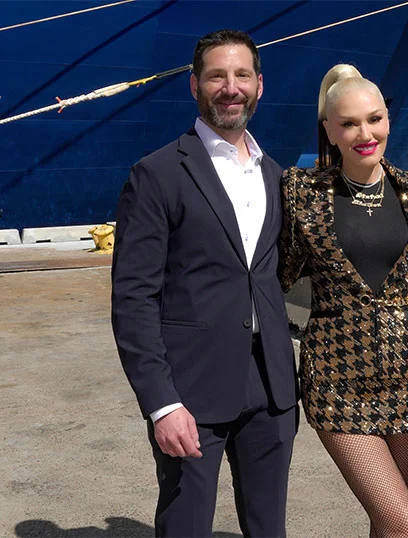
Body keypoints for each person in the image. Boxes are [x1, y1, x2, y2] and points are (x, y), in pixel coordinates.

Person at [111, 29, 297, 538]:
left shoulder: (276, 175)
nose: (230, 88)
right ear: (194, 85)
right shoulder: (157, 174)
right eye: (217, 76)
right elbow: (133, 299)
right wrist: (162, 403)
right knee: (185, 526)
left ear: (260, 85)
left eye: (241, 75)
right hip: (190, 391)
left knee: (269, 529)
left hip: (271, 387)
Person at [277, 64, 408, 538]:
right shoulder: (302, 192)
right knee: (401, 520)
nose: (365, 134)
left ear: (388, 119)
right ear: (329, 130)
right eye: (348, 124)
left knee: (387, 521)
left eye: (374, 119)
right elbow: (275, 275)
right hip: (337, 383)